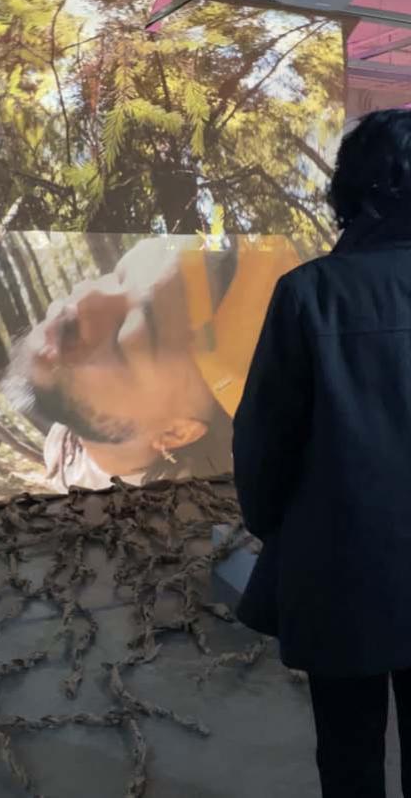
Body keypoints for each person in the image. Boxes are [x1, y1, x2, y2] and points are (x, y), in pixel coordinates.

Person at [234, 108, 411, 798]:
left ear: (354, 190)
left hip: (341, 567)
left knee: (348, 750)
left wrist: (272, 524)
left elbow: (263, 442)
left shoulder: (310, 294)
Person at [0, 234, 300, 491]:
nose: (84, 295)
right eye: (117, 275)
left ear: (177, 433)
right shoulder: (69, 434)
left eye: (123, 335)